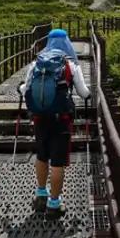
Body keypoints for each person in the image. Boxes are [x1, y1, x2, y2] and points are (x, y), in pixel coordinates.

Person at [18, 28, 90, 220]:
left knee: (42, 156)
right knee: (57, 163)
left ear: (47, 43)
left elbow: (24, 89)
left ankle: (41, 194)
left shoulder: (36, 64)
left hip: (40, 119)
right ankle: (54, 204)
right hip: (61, 121)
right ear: (66, 43)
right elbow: (84, 93)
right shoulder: (70, 66)